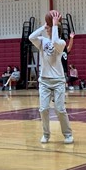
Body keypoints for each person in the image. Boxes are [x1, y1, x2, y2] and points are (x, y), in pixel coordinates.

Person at [29, 10, 74, 144]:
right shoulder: (42, 41)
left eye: (49, 27)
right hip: (44, 81)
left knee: (60, 109)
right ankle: (46, 134)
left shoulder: (61, 43)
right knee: (43, 109)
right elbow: (31, 37)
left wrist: (54, 24)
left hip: (58, 81)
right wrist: (44, 26)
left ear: (55, 29)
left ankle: (67, 134)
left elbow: (54, 40)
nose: (47, 29)